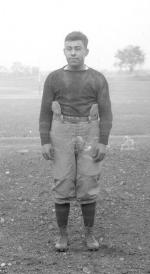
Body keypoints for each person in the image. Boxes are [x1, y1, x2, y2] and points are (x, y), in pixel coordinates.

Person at [39, 31, 113, 251]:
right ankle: (63, 236)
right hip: (61, 130)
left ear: (86, 51)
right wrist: (45, 140)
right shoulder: (53, 78)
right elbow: (45, 113)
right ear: (64, 51)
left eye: (77, 48)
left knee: (88, 182)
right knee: (62, 181)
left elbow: (106, 113)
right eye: (69, 48)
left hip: (90, 131)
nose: (73, 52)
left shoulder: (98, 78)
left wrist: (103, 141)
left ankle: (89, 235)